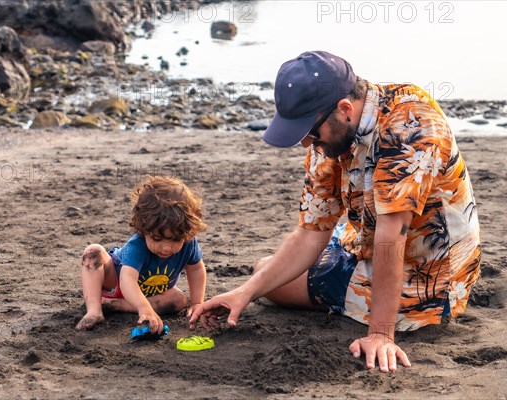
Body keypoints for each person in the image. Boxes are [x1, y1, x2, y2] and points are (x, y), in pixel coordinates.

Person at [189, 50, 481, 373]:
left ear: (344, 109)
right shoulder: (329, 140)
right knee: (263, 273)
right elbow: (310, 233)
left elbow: (392, 234)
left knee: (273, 280)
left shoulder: (409, 125)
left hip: (429, 276)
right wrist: (243, 294)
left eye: (310, 132)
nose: (305, 144)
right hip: (368, 238)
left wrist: (381, 335)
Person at [76, 175, 207, 334]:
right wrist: (144, 308)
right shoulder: (137, 245)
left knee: (179, 300)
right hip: (116, 281)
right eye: (157, 239)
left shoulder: (189, 243)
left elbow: (196, 270)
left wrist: (197, 303)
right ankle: (94, 310)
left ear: (187, 233)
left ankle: (116, 305)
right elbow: (127, 279)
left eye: (175, 240)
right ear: (143, 229)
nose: (166, 248)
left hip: (151, 292)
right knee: (93, 252)